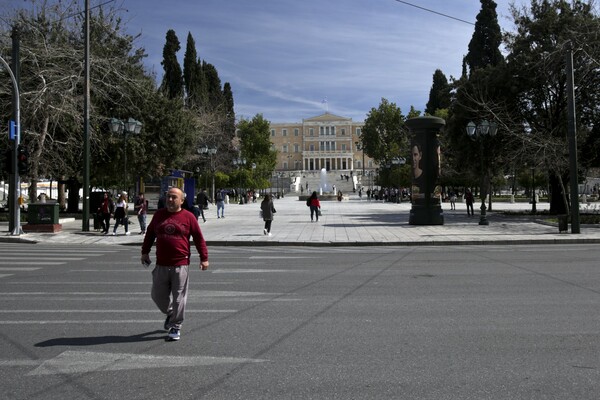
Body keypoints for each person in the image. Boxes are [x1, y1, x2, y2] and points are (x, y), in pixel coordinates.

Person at [141, 187, 209, 342]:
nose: (170, 200)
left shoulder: (188, 217)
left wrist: (204, 258)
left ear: (182, 200)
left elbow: (199, 238)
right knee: (157, 295)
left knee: (179, 298)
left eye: (173, 197)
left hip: (181, 263)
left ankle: (176, 325)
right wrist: (145, 252)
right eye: (168, 197)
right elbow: (150, 234)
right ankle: (171, 313)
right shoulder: (159, 215)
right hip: (161, 264)